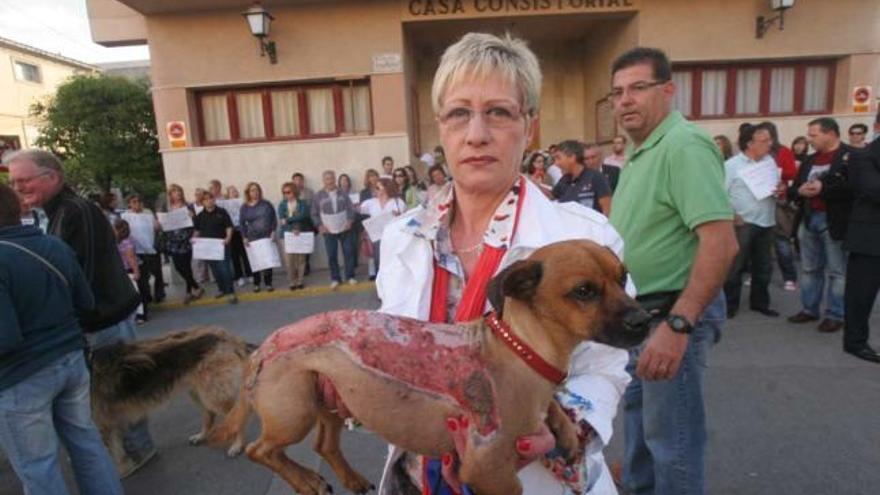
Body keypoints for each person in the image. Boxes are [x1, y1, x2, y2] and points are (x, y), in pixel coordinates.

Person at [373, 31, 631, 495]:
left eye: (498, 112)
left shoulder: (585, 239)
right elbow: (392, 346)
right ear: (441, 127)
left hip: (529, 478)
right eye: (459, 114)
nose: (476, 134)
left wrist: (564, 428)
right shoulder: (401, 237)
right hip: (418, 479)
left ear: (529, 126)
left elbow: (607, 367)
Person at [607, 47, 738, 495]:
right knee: (642, 435)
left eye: (638, 88)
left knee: (672, 444)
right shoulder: (643, 150)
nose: (625, 100)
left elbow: (720, 242)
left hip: (670, 315)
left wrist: (679, 325)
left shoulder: (683, 145)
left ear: (668, 90)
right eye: (618, 92)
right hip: (642, 317)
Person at [4, 149, 156, 477]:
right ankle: (120, 454)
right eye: (13, 181)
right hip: (92, 320)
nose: (17, 187)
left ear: (53, 177)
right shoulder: (48, 212)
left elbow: (78, 274)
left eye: (23, 180)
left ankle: (138, 450)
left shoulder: (75, 210)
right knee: (103, 397)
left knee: (121, 390)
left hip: (104, 319)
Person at [0, 183, 124, 495]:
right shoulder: (53, 246)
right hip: (71, 360)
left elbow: (6, 338)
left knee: (38, 465)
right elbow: (86, 302)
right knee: (87, 444)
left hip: (20, 376)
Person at [787, 118, 854, 333]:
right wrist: (799, 191)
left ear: (831, 134)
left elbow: (854, 189)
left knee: (837, 271)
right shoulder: (809, 160)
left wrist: (822, 189)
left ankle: (835, 314)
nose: (810, 139)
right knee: (809, 269)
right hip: (808, 218)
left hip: (834, 220)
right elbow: (795, 187)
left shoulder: (851, 157)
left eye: (814, 135)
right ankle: (809, 309)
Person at [723, 123, 780, 318]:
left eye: (770, 140)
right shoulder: (731, 165)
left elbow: (775, 187)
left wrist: (780, 191)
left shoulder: (770, 162)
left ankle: (760, 303)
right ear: (749, 144)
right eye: (764, 141)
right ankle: (730, 306)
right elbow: (720, 193)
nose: (770, 144)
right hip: (743, 223)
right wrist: (731, 214)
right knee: (735, 267)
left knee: (764, 265)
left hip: (767, 220)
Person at [842, 112, 880, 363]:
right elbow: (875, 191)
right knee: (861, 295)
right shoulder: (862, 156)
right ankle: (855, 342)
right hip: (870, 238)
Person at [121, 193, 164, 323]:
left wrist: (158, 222)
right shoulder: (125, 216)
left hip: (150, 249)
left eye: (138, 201)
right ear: (129, 203)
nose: (137, 204)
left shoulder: (148, 214)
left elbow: (157, 228)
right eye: (134, 202)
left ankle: (158, 294)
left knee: (157, 273)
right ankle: (144, 306)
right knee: (142, 281)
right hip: (136, 251)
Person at [312, 170, 358, 289]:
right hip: (328, 230)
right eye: (327, 179)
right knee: (331, 255)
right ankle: (335, 278)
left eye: (332, 178)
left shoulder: (343, 193)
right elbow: (314, 213)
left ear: (335, 179)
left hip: (344, 228)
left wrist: (350, 221)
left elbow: (351, 209)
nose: (330, 181)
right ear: (324, 181)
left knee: (348, 252)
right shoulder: (318, 196)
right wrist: (320, 225)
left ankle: (350, 276)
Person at [193, 190, 238, 304]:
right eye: (206, 199)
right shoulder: (199, 216)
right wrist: (194, 239)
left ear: (214, 199)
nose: (209, 201)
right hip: (208, 248)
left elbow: (229, 226)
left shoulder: (222, 212)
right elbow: (197, 231)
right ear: (202, 202)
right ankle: (221, 289)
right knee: (215, 270)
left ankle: (231, 292)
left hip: (222, 244)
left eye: (210, 198)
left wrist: (228, 238)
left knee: (225, 269)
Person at [165, 183, 205, 304]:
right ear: (170, 194)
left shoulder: (188, 206)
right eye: (175, 192)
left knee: (187, 267)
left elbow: (196, 223)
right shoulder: (168, 208)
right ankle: (196, 287)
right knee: (179, 267)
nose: (177, 194)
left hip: (186, 240)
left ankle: (189, 292)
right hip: (173, 241)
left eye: (179, 191)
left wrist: (192, 218)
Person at [551, 139, 612, 215]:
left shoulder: (596, 177)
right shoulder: (565, 179)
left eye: (558, 158)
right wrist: (534, 184)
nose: (556, 163)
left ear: (572, 157)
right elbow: (550, 196)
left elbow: (607, 210)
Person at [359, 177, 405, 274]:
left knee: (394, 261)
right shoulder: (370, 203)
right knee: (379, 261)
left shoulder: (398, 202)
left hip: (394, 237)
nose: (375, 189)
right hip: (377, 238)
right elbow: (358, 210)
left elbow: (404, 218)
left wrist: (398, 215)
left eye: (377, 187)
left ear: (386, 188)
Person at [240, 181, 277, 292]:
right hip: (252, 238)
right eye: (252, 190)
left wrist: (273, 231)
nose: (255, 192)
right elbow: (241, 223)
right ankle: (257, 283)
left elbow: (273, 219)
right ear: (248, 193)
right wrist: (244, 237)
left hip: (266, 236)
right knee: (255, 262)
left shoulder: (266, 204)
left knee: (267, 261)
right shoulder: (244, 207)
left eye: (256, 190)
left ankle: (268, 283)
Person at [277, 182, 310, 290]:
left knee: (301, 259)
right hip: (286, 235)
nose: (286, 194)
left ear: (294, 192)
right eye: (284, 192)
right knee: (289, 260)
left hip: (301, 233)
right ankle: (292, 282)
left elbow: (304, 216)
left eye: (288, 192)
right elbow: (282, 220)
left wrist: (289, 220)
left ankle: (300, 281)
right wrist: (292, 227)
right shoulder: (282, 205)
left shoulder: (302, 203)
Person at [114, 219, 144, 322]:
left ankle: (132, 315)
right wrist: (137, 271)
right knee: (136, 292)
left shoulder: (115, 241)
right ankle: (140, 315)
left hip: (121, 270)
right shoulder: (128, 240)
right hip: (130, 270)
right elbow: (131, 257)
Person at [225, 185, 252, 286]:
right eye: (231, 191)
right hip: (231, 232)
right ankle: (239, 276)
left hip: (242, 231)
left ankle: (249, 274)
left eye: (235, 191)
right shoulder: (225, 205)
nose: (234, 193)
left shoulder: (243, 203)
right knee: (234, 255)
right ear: (228, 194)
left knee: (245, 254)